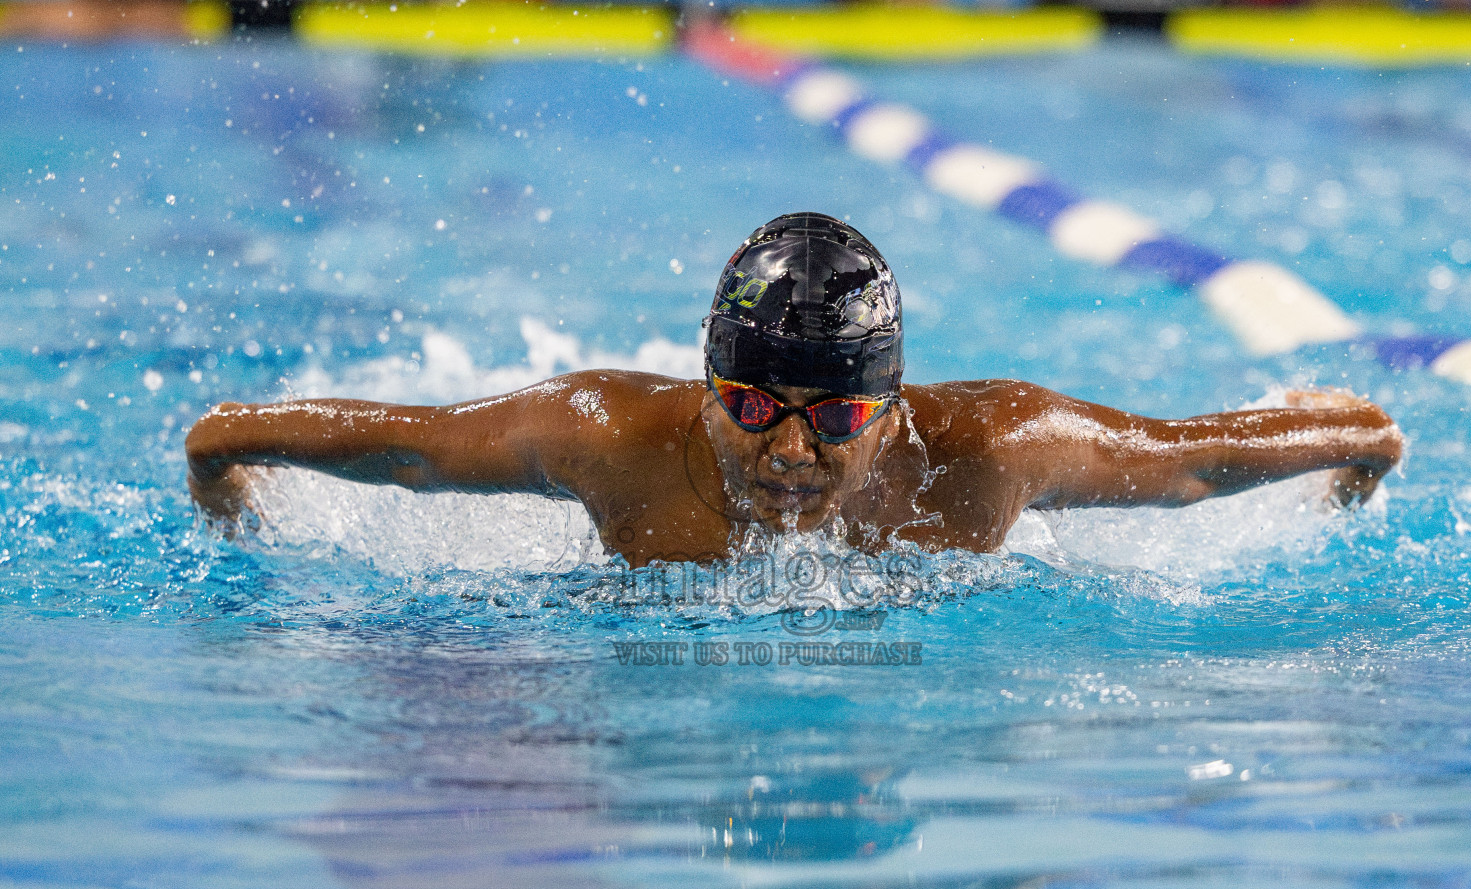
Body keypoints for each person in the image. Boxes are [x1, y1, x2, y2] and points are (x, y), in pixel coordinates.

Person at [186, 212, 1403, 567]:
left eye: (834, 418)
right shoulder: (612, 435)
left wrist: (1356, 438)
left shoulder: (989, 453)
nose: (790, 451)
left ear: (890, 409)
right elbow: (410, 443)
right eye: (756, 407)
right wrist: (227, 446)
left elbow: (1186, 458)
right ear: (710, 389)